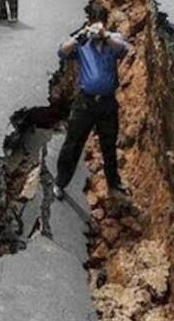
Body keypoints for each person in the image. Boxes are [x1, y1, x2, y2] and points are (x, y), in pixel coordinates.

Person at [53, 22, 133, 201]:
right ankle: (60, 181)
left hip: (107, 103)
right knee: (72, 144)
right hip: (85, 103)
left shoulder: (112, 41)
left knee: (109, 145)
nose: (95, 32)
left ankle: (114, 184)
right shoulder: (82, 44)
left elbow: (125, 49)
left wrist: (105, 36)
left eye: (99, 29)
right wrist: (79, 37)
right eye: (93, 29)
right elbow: (61, 52)